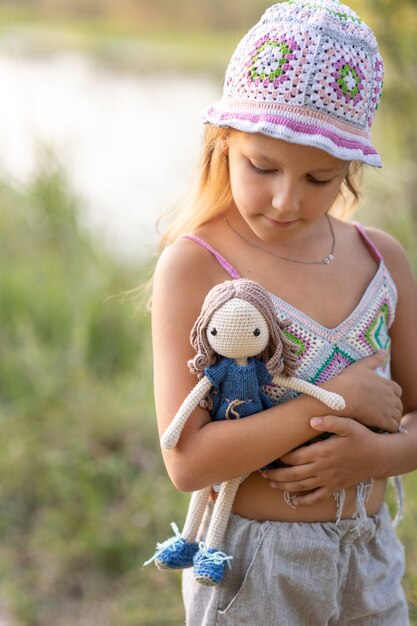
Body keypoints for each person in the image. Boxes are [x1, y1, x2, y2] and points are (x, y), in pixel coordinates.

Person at [151, 1, 417, 624]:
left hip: (370, 560)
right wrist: (335, 402)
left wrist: (377, 458)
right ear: (224, 144)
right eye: (262, 166)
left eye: (320, 178)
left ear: (350, 169)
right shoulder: (197, 265)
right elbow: (186, 462)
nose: (286, 200)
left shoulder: (383, 261)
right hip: (255, 572)